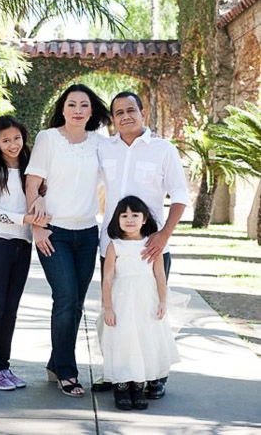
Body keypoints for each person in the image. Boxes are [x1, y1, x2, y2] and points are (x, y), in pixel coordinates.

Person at [94, 90, 189, 398]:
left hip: (151, 249)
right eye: (118, 112)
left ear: (142, 112)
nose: (125, 116)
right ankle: (119, 371)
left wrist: (163, 235)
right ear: (112, 119)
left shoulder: (163, 150)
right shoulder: (103, 149)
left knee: (152, 314)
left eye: (130, 110)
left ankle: (157, 375)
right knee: (114, 312)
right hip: (112, 247)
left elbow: (180, 196)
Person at [25, 83, 111, 397]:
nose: (77, 110)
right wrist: (37, 227)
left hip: (87, 233)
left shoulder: (100, 144)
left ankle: (55, 361)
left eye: (84, 105)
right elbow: (33, 182)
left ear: (92, 111)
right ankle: (67, 371)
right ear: (62, 108)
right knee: (65, 297)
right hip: (54, 233)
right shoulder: (48, 139)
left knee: (74, 304)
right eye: (72, 104)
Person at [0, 116, 50, 390]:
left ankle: (4, 367)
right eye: (6, 140)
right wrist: (27, 220)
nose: (13, 144)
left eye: (16, 138)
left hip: (23, 243)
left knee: (11, 308)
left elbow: (41, 196)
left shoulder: (30, 167)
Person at [98, 196, 180, 411]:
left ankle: (138, 385)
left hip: (146, 300)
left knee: (144, 340)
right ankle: (122, 385)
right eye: (124, 215)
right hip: (122, 301)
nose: (130, 219)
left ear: (144, 219)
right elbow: (107, 278)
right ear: (117, 220)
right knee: (123, 340)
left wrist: (163, 301)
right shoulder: (114, 246)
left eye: (135, 215)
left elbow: (160, 275)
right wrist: (108, 307)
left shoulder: (152, 244)